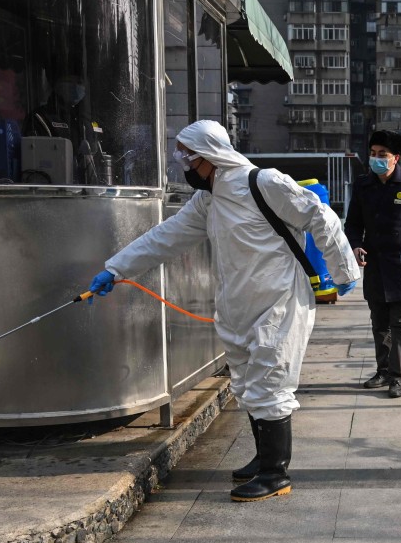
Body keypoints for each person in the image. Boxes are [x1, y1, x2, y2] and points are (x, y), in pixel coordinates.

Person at [89, 120, 360, 502]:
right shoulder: (209, 200)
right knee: (248, 384)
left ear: (211, 156)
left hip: (278, 301)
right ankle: (262, 458)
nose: (186, 168)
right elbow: (165, 238)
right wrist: (117, 268)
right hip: (236, 303)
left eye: (191, 160)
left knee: (271, 380)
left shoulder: (263, 183)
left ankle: (274, 472)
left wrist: (343, 268)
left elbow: (320, 216)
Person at [345, 130, 401, 398]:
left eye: (383, 155)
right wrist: (356, 245)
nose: (376, 159)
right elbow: (353, 223)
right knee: (379, 321)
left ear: (396, 159)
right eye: (373, 153)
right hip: (375, 264)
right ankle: (382, 370)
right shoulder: (362, 185)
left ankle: (397, 376)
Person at [24, 74, 105, 184]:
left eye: (80, 83)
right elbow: (35, 163)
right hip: (54, 192)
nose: (77, 86)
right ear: (57, 83)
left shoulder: (85, 119)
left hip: (89, 192)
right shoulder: (39, 118)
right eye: (71, 81)